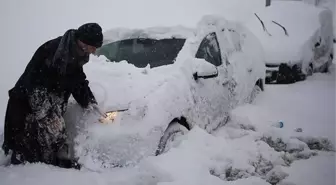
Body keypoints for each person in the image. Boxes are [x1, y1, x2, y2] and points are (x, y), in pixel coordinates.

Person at [1, 23, 105, 169]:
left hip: (48, 101)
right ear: (83, 42)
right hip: (26, 105)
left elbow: (78, 82)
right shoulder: (53, 51)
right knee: (27, 145)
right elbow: (35, 85)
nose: (94, 52)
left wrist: (90, 102)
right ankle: (26, 174)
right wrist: (48, 116)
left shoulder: (76, 54)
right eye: (93, 47)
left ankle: (50, 166)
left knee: (49, 139)